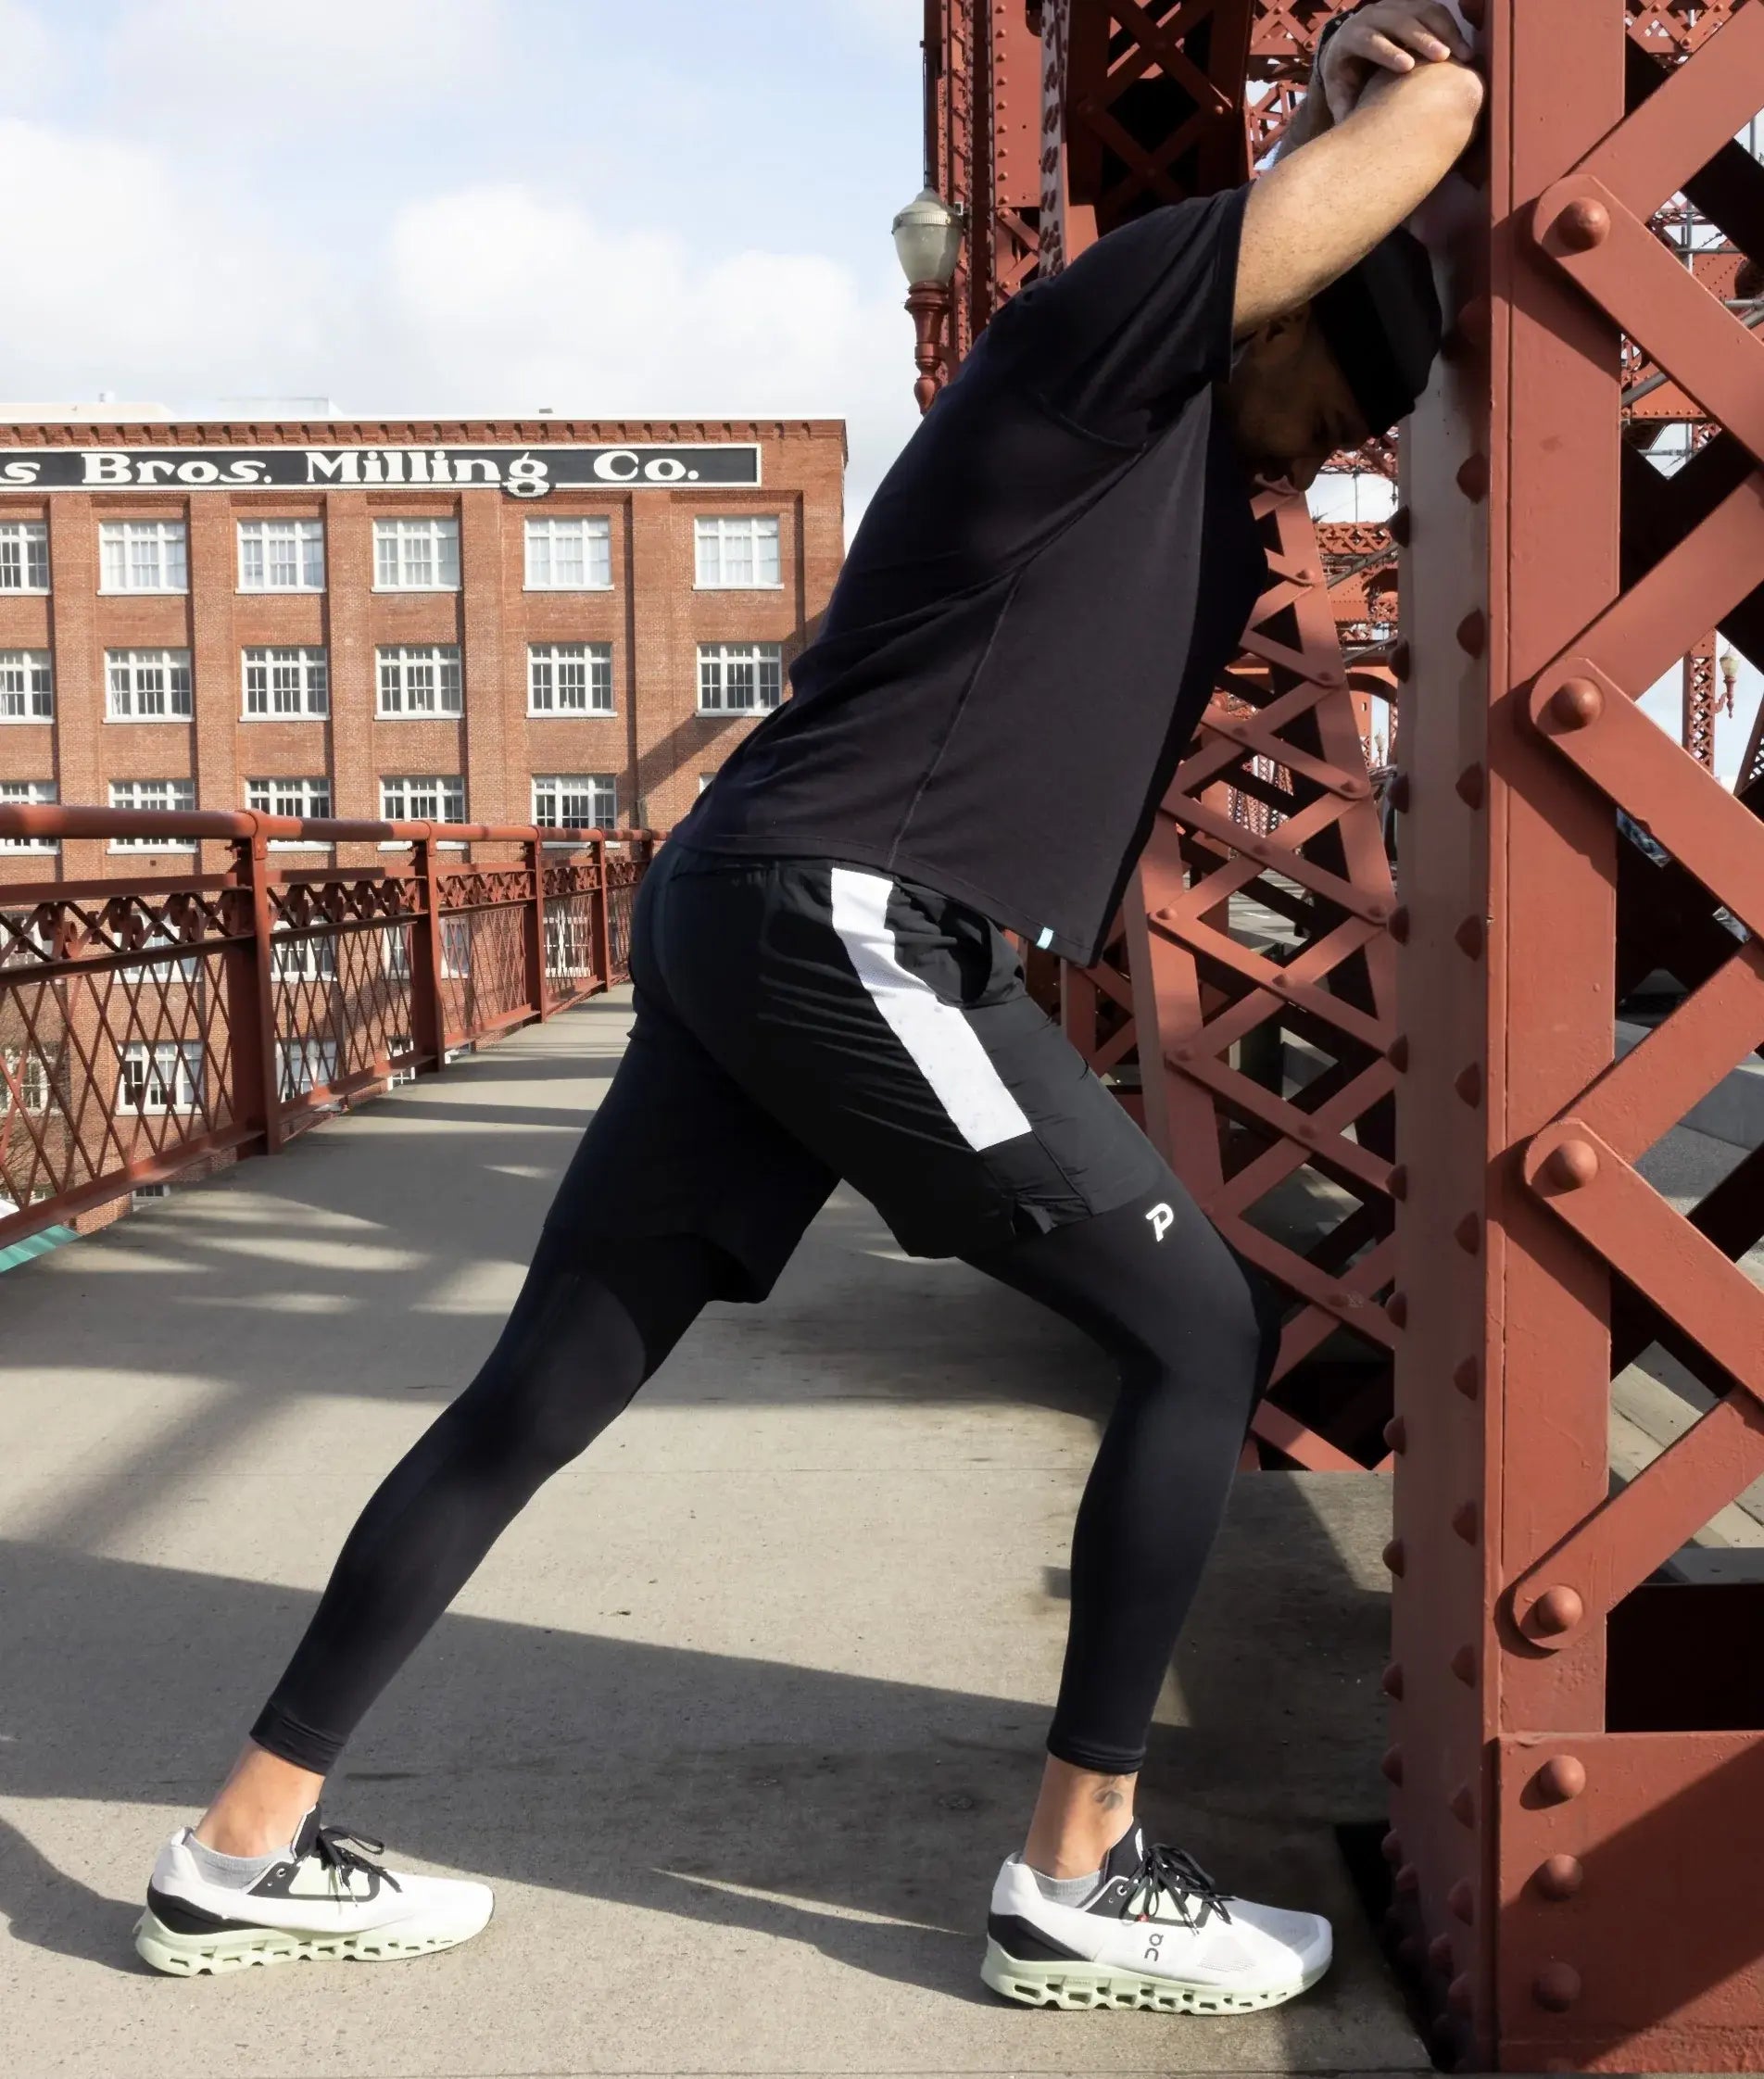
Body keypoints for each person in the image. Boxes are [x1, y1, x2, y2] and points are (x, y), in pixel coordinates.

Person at [136, 0, 1482, 2015]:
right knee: (1206, 1326)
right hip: (845, 915)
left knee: (541, 1390)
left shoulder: (1171, 470)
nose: (1330, 453)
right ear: (1271, 304)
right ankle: (1076, 1876)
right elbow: (1414, 129)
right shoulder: (1112, 338)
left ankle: (239, 1846)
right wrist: (1410, 71)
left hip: (769, 909)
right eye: (1333, 398)